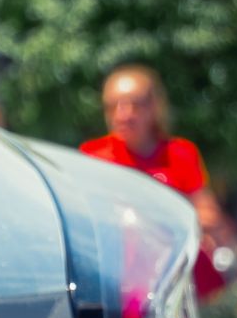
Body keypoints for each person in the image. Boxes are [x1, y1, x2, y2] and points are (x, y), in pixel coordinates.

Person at [80, 65, 229, 296]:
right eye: (113, 106)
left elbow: (208, 215)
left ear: (154, 107)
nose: (123, 115)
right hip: (121, 278)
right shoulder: (93, 156)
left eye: (134, 104)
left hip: (179, 275)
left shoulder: (180, 153)